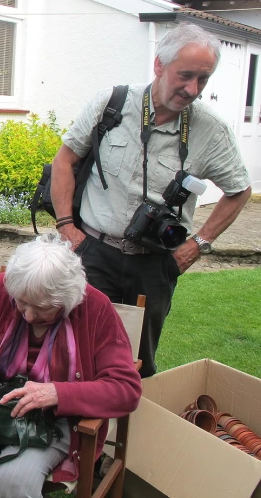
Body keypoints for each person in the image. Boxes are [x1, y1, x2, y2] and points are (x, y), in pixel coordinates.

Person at [51, 23, 251, 378]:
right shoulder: (112, 104)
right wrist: (67, 226)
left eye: (203, 80)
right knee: (73, 351)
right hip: (93, 253)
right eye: (185, 75)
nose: (192, 89)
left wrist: (198, 244)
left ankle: (132, 432)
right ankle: (68, 430)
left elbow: (239, 191)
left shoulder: (210, 129)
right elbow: (64, 160)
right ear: (159, 65)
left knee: (136, 363)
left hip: (155, 266)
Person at [0, 233, 141, 498]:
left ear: (68, 300)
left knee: (11, 482)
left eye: (43, 308)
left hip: (52, 422)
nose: (29, 315)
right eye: (22, 303)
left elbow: (125, 388)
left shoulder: (95, 308)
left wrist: (56, 393)